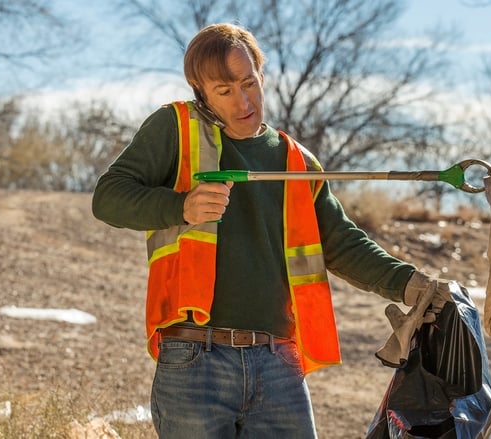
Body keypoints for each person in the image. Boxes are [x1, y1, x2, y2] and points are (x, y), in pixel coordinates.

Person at [91, 23, 454, 438]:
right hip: (194, 358)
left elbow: (341, 244)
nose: (243, 101)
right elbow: (107, 197)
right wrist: (180, 206)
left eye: (249, 83)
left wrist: (412, 286)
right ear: (201, 90)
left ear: (261, 75)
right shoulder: (175, 128)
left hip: (278, 362)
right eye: (225, 91)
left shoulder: (295, 161)